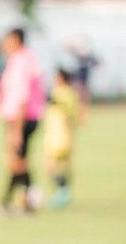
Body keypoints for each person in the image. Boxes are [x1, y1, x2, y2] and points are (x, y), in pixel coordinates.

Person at [0, 28, 46, 215]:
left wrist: (16, 129)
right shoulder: (26, 58)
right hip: (24, 118)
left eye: (6, 40)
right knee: (19, 159)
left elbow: (21, 97)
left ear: (15, 40)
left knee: (18, 160)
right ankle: (19, 201)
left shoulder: (20, 62)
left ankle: (17, 202)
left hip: (21, 119)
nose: (2, 44)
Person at [44, 68, 79, 209]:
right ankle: (63, 192)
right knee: (62, 167)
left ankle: (62, 192)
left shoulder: (62, 93)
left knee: (51, 166)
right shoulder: (68, 93)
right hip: (60, 135)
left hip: (59, 137)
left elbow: (65, 111)